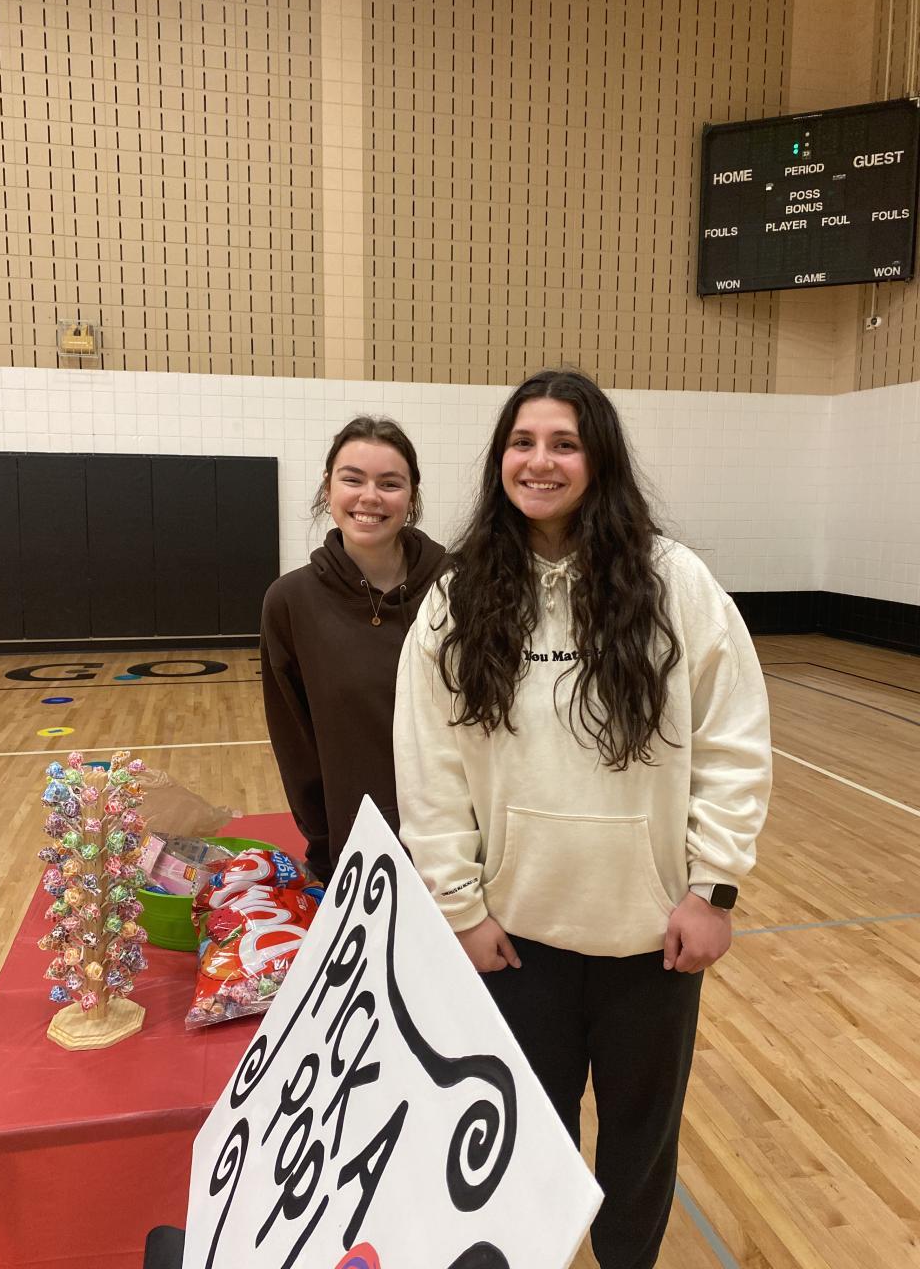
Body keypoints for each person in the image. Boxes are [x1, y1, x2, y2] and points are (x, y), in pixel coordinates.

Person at [393, 370, 771, 1269]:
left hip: (654, 939)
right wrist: (459, 908)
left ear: (598, 459)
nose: (541, 461)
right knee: (530, 1142)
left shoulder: (674, 582)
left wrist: (712, 890)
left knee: (641, 1144)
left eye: (564, 443)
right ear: (500, 460)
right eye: (523, 443)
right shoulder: (458, 596)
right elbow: (429, 764)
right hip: (516, 939)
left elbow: (733, 740)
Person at [261, 416, 446, 885]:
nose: (370, 497)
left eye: (390, 483)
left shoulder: (457, 586)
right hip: (358, 854)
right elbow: (296, 745)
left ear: (412, 496)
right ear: (328, 488)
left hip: (458, 849)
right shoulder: (290, 602)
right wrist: (326, 849)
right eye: (353, 479)